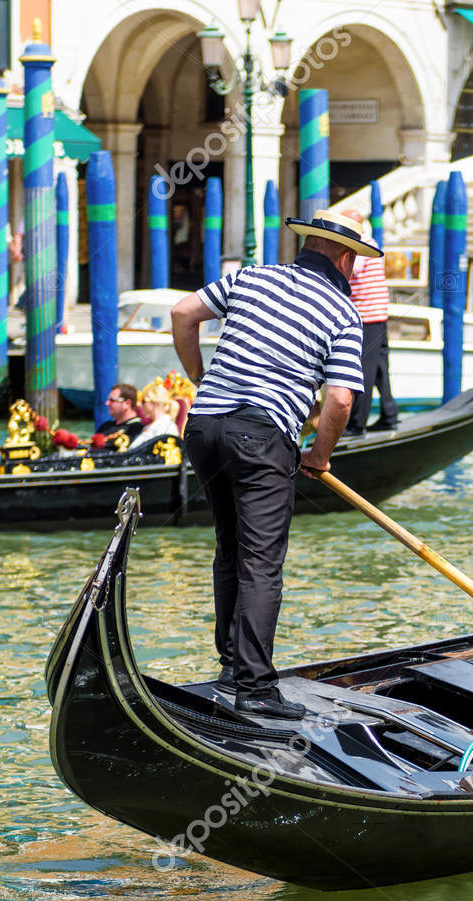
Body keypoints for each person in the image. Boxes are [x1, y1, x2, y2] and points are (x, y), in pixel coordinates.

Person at [170, 207, 373, 720]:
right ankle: (256, 687)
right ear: (346, 258)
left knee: (230, 548)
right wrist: (318, 456)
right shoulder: (341, 310)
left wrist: (201, 380)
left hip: (205, 427)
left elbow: (181, 313)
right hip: (261, 434)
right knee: (261, 561)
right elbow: (341, 399)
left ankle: (231, 665)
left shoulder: (251, 276)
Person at [338, 208, 397, 435]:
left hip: (367, 316)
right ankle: (389, 415)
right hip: (378, 314)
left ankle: (356, 424)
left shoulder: (359, 247)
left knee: (363, 370)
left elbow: (350, 272)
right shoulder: (370, 242)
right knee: (380, 368)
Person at [133, 381, 181, 446]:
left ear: (155, 404)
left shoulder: (166, 428)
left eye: (144, 401)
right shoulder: (149, 426)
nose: (140, 405)